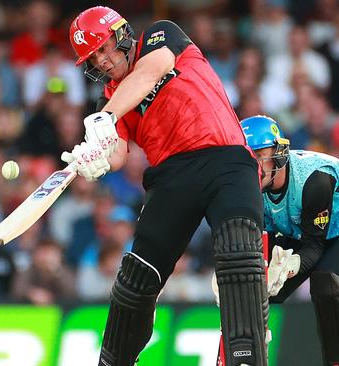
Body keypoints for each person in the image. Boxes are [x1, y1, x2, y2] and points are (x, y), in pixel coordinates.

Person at [62, 6, 267, 366]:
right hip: (172, 177)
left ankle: (246, 359)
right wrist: (93, 158)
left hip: (227, 161)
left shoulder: (161, 35)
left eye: (106, 47)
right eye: (95, 58)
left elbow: (151, 70)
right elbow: (117, 156)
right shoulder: (109, 99)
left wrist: (107, 117)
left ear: (123, 34)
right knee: (135, 280)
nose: (106, 61)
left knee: (239, 259)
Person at [239, 115, 339, 366]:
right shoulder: (250, 188)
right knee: (257, 289)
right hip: (304, 228)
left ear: (278, 153)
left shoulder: (314, 180)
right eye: (247, 158)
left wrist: (293, 265)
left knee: (326, 282)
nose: (252, 167)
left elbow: (315, 246)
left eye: (259, 156)